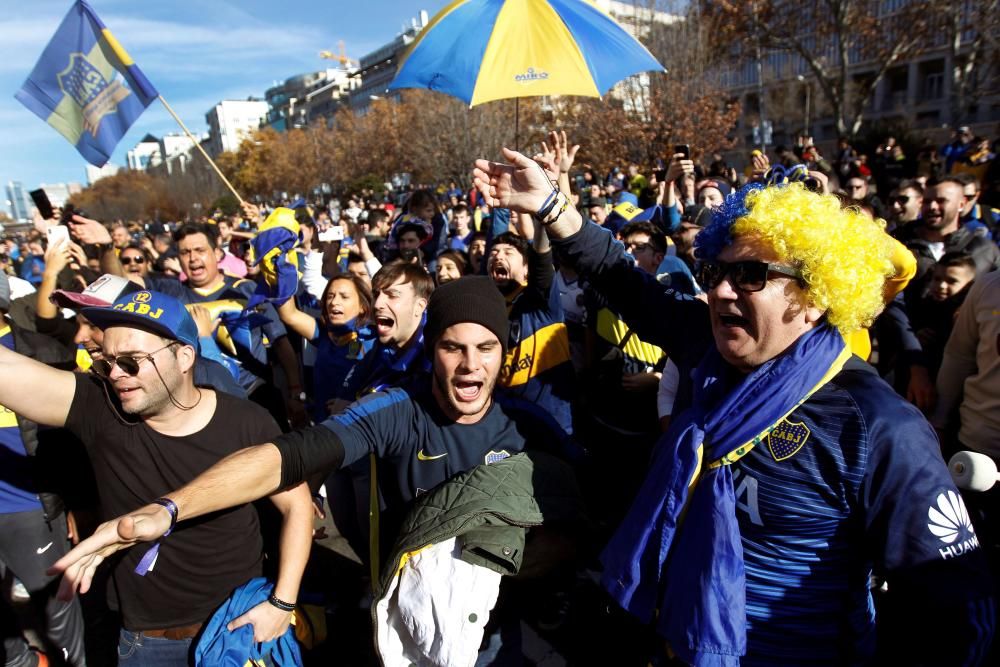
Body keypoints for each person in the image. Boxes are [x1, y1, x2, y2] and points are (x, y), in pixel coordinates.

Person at [470, 147, 994, 664]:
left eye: (751, 275)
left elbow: (956, 618)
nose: (720, 292)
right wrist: (551, 206)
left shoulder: (878, 425)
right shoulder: (709, 353)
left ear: (815, 296)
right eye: (715, 273)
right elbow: (620, 278)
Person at [49, 277, 576, 662]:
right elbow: (286, 458)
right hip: (407, 636)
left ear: (503, 354)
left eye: (486, 348)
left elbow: (576, 528)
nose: (469, 365)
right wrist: (169, 509)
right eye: (452, 347)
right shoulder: (398, 410)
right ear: (431, 350)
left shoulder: (530, 427)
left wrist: (485, 567)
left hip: (499, 634)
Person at [0, 288, 313, 665]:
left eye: (131, 362)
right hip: (146, 644)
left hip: (238, 629)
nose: (116, 375)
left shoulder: (247, 422)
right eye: (108, 362)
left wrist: (282, 603)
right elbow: (9, 372)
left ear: (183, 356)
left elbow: (298, 507)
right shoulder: (97, 409)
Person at [0, 272, 86, 667]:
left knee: (56, 621)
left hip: (29, 511)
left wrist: (73, 502)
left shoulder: (41, 352)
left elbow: (68, 440)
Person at [276, 274, 375, 422]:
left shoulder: (373, 339)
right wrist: (283, 272)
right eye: (330, 296)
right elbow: (289, 315)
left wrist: (354, 405)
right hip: (323, 426)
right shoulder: (324, 333)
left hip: (357, 428)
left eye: (344, 297)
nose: (334, 302)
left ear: (362, 306)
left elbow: (387, 387)